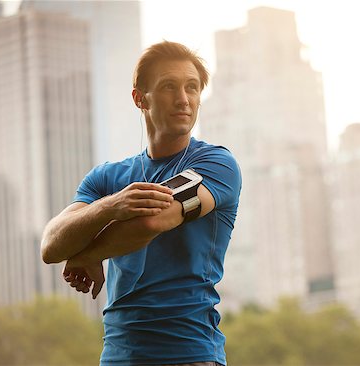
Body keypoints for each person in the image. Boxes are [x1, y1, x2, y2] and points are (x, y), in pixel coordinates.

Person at [41, 41, 241, 366]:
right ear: (140, 99)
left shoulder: (215, 165)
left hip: (187, 353)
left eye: (192, 88)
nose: (183, 99)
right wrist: (110, 206)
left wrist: (86, 254)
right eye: (168, 87)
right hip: (117, 356)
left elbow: (151, 222)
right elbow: (51, 245)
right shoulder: (107, 179)